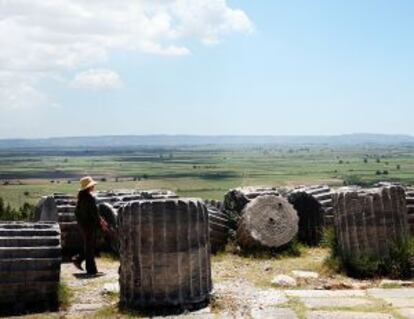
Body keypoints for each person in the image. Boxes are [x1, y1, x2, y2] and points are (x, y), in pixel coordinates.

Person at [72, 176, 106, 275]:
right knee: (90, 247)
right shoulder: (89, 198)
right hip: (89, 226)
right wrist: (101, 224)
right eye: (92, 185)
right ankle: (91, 270)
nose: (93, 186)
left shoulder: (81, 197)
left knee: (89, 246)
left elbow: (77, 213)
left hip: (83, 226)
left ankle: (78, 259)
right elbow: (94, 214)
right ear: (89, 187)